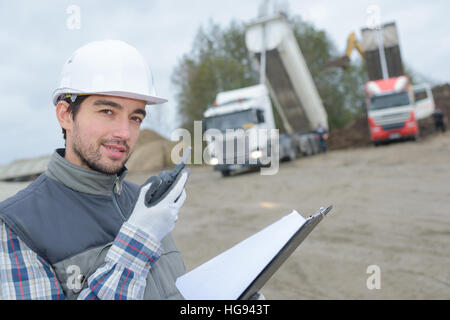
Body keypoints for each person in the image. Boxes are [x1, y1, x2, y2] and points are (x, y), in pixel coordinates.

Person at [0, 40, 190, 300]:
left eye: (135, 117)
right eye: (107, 111)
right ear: (65, 114)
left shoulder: (142, 203)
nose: (124, 133)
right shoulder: (18, 225)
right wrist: (138, 243)